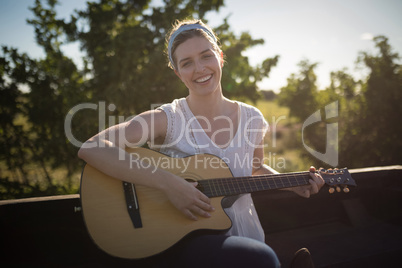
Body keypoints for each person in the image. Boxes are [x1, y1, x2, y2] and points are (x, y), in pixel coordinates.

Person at [78, 19, 324, 268]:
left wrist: (292, 184)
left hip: (246, 233)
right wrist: (169, 183)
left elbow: (253, 168)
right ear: (177, 72)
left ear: (220, 56)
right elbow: (92, 147)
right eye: (187, 63)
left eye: (206, 56)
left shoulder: (252, 118)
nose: (199, 69)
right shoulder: (169, 118)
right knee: (261, 260)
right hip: (188, 236)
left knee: (258, 256)